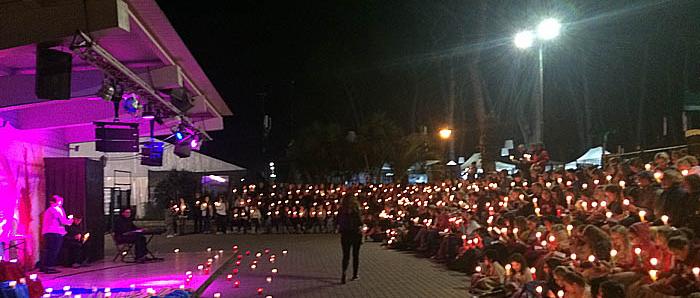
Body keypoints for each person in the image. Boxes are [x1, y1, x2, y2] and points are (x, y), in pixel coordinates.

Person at [40, 195, 73, 273]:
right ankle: (49, 267)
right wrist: (70, 220)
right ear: (53, 202)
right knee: (53, 250)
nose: (61, 202)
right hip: (54, 232)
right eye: (59, 201)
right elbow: (63, 221)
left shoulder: (50, 210)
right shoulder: (55, 209)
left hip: (49, 232)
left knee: (49, 250)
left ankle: (44, 267)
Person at [337, 196, 362, 284]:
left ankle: (343, 273)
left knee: (345, 255)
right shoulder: (356, 210)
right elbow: (360, 222)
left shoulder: (341, 210)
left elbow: (338, 221)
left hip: (345, 235)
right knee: (355, 255)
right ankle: (355, 274)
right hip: (355, 234)